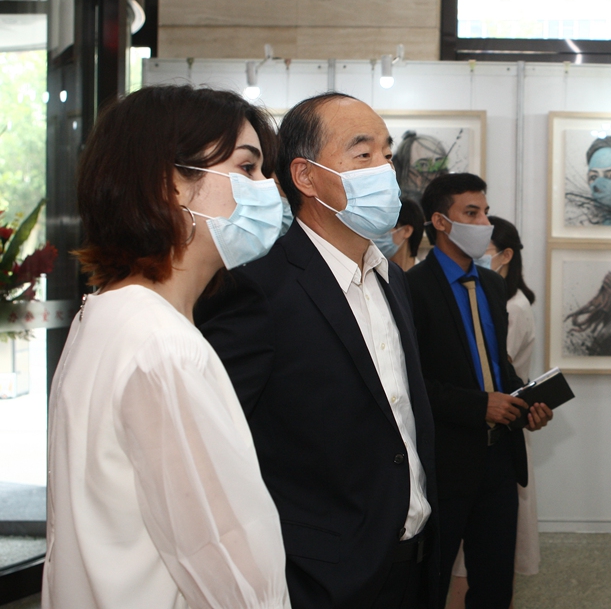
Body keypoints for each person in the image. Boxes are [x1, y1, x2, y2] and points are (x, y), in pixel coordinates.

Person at [44, 85, 290, 608]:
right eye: (247, 168)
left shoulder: (109, 315)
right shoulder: (164, 348)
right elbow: (227, 565)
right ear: (171, 184)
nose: (269, 188)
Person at [196, 92, 438, 609]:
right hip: (319, 577)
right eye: (362, 154)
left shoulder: (392, 278)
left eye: (387, 154)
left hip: (410, 562)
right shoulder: (259, 286)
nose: (384, 170)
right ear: (305, 177)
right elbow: (212, 445)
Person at [405, 174, 552, 609]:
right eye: (471, 213)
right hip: (445, 462)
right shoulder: (412, 288)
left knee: (494, 586)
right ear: (440, 222)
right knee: (431, 584)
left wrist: (525, 403)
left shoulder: (492, 285)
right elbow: (410, 383)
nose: (484, 223)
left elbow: (497, 366)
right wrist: (479, 406)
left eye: (485, 212)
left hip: (499, 459)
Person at [446, 216, 540, 609]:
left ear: (506, 256)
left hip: (497, 434)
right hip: (481, 433)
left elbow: (495, 374)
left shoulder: (511, 307)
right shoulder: (492, 298)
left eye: (485, 250)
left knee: (484, 565)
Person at [376, 198, 426, 271]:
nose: (379, 235)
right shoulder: (372, 273)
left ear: (407, 231)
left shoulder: (425, 275)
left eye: (387, 227)